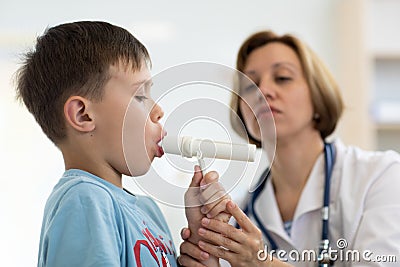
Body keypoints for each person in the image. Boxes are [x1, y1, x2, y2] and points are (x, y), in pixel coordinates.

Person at [15, 21, 229, 267]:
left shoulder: (148, 212)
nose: (158, 111)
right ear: (83, 115)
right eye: (140, 96)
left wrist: (205, 246)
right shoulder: (85, 200)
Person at [178, 30, 400, 266]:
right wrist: (207, 253)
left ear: (318, 95)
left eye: (282, 77)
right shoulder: (239, 213)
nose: (263, 91)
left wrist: (262, 263)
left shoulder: (381, 175)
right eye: (250, 86)